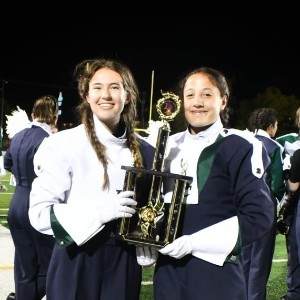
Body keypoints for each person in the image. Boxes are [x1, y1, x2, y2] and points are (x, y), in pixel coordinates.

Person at [28, 58, 155, 300]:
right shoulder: (62, 144)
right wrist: (99, 212)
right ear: (87, 96)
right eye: (97, 87)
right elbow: (39, 214)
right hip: (75, 260)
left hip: (124, 264)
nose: (105, 95)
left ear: (127, 96)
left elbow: (150, 211)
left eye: (115, 87)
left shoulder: (147, 151)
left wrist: (146, 242)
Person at [152, 67, 274, 300]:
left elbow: (259, 215)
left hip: (216, 275)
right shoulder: (166, 146)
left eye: (207, 94)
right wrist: (144, 240)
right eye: (190, 95)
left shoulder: (240, 145)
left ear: (223, 101)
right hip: (168, 275)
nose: (197, 102)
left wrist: (194, 243)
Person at [3, 95, 59, 300]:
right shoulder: (49, 141)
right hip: (37, 205)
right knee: (49, 264)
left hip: (16, 204)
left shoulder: (18, 136)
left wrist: (21, 176)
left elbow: (7, 163)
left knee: (24, 266)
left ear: (33, 114)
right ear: (55, 117)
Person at [241, 107, 285, 300]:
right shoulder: (274, 147)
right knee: (260, 262)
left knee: (243, 259)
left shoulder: (242, 142)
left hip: (241, 209)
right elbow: (276, 185)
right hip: (264, 210)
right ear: (271, 126)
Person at [276, 108, 300, 300]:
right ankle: (294, 292)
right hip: (293, 202)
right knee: (294, 249)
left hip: (295, 198)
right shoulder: (286, 141)